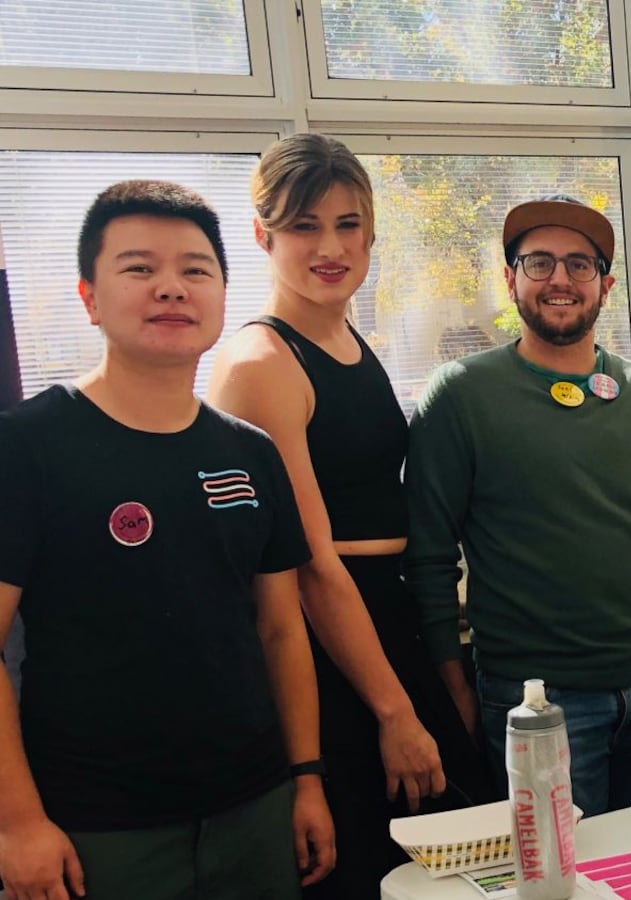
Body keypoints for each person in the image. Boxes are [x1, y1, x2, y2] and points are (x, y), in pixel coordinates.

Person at [0, 181, 332, 898]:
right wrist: (17, 823)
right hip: (98, 829)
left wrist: (305, 778)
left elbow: (280, 629)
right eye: (140, 268)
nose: (172, 289)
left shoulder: (250, 453)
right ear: (89, 295)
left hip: (256, 806)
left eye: (194, 270)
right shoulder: (27, 447)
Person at [207, 133, 491, 895]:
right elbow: (307, 566)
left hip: (385, 614)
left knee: (455, 855)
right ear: (263, 236)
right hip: (329, 644)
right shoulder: (262, 363)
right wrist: (395, 712)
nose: (330, 247)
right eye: (305, 227)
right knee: (375, 864)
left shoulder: (341, 334)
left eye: (347, 224)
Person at [405, 195, 631, 814]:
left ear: (605, 285)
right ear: (510, 280)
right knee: (559, 876)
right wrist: (457, 690)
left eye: (580, 265)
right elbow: (428, 559)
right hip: (536, 705)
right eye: (539, 263)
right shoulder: (461, 394)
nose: (560, 279)